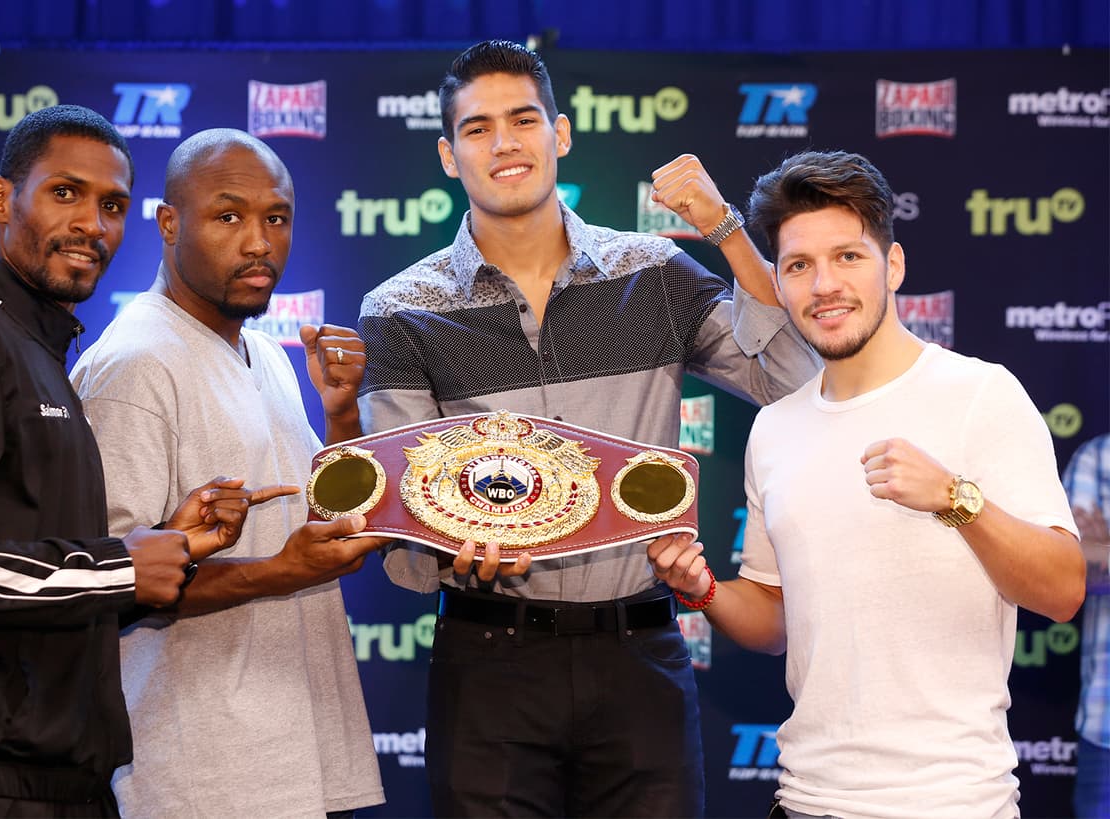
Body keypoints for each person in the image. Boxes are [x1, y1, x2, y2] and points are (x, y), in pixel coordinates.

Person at [357, 39, 820, 817]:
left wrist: (728, 229)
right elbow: (406, 543)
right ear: (447, 154)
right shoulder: (401, 310)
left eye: (522, 119)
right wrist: (447, 548)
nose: (504, 143)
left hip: (640, 652)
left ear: (560, 134)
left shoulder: (655, 273)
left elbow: (792, 378)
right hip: (487, 659)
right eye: (477, 129)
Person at [657, 149, 1086, 819]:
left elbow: (1062, 589)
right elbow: (775, 621)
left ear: (893, 265)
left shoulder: (981, 394)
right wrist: (703, 589)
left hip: (954, 803)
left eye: (848, 257)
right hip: (805, 799)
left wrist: (956, 499)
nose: (824, 284)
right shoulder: (775, 428)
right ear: (781, 282)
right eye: (799, 265)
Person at [0, 105, 255, 818]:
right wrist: (118, 565)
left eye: (111, 205)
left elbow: (41, 568)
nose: (92, 225)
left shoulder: (41, 354)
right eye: (64, 193)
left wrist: (162, 546)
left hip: (61, 780)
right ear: (2, 200)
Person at [70, 128, 388, 818]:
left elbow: (320, 532)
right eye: (228, 216)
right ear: (168, 223)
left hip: (287, 751)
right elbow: (107, 588)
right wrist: (279, 570)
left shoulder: (264, 352)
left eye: (275, 218)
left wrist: (341, 421)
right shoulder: (135, 365)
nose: (258, 243)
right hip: (194, 774)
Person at [1063, 432, 1110, 818]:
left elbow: (1098, 560)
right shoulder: (1098, 457)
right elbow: (1071, 572)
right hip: (1105, 730)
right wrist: (1092, 557)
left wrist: (1105, 547)